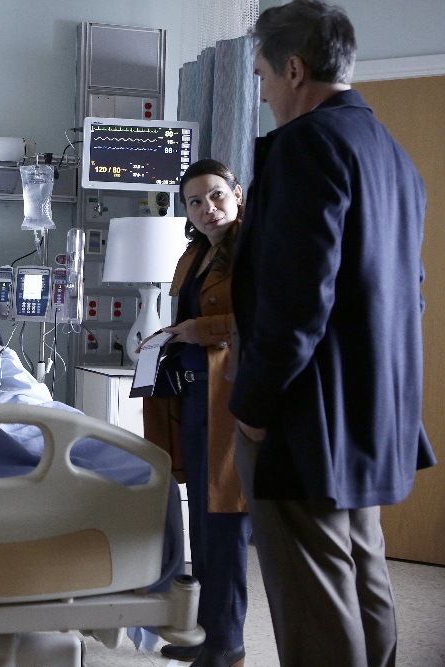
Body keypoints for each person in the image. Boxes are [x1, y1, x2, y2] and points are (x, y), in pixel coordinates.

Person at [229, 2, 437, 665]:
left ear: (293, 70)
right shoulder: (391, 153)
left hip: (308, 414)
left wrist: (254, 407)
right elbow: (409, 290)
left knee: (314, 596)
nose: (263, 93)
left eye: (263, 76)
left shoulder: (306, 144)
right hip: (373, 409)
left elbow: (296, 300)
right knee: (363, 570)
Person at [143, 159, 250, 667]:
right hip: (192, 396)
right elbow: (189, 316)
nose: (208, 208)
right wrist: (167, 338)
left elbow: (263, 317)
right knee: (202, 521)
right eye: (195, 202)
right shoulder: (197, 254)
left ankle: (227, 644)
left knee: (224, 519)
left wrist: (198, 331)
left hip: (227, 396)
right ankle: (204, 633)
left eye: (216, 195)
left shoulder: (253, 249)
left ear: (237, 193)